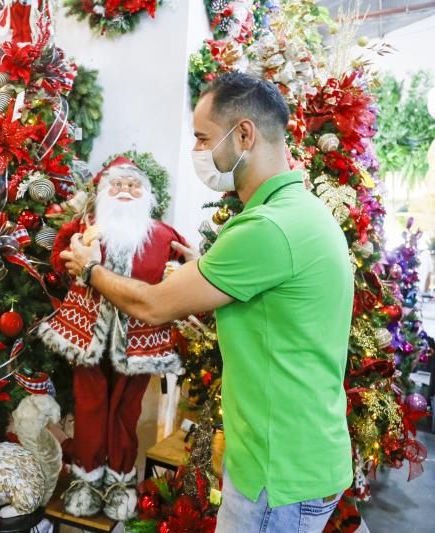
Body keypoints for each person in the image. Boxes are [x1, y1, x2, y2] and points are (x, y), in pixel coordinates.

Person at [59, 72, 353, 533]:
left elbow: (155, 305)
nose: (198, 152)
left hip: (278, 474)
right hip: (299, 455)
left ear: (244, 134)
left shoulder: (267, 229)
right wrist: (205, 267)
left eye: (203, 138)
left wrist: (91, 271)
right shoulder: (300, 212)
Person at [38, 157, 187, 520]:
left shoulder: (163, 235)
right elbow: (60, 263)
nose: (124, 191)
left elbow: (183, 272)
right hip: (87, 334)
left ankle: (120, 480)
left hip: (141, 339)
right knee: (89, 407)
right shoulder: (83, 227)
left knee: (126, 410)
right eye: (116, 185)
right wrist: (70, 256)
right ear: (103, 192)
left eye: (132, 185)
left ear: (147, 194)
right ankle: (86, 479)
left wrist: (176, 274)